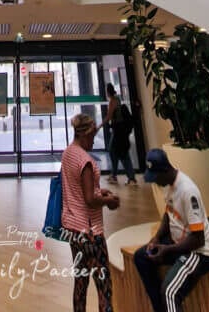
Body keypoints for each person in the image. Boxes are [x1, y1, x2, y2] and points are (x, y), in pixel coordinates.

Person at [133, 149, 209, 312]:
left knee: (170, 293)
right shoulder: (169, 184)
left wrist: (167, 249)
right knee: (141, 257)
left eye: (156, 177)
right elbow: (168, 213)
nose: (155, 182)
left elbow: (198, 239)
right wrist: (157, 239)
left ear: (165, 170)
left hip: (199, 253)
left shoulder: (187, 191)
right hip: (179, 245)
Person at [61, 112, 120, 312]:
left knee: (80, 282)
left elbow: (76, 188)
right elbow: (89, 199)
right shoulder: (85, 161)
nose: (94, 141)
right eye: (93, 137)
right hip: (90, 231)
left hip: (72, 228)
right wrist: (108, 201)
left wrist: (98, 190)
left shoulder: (68, 153)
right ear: (85, 134)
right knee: (104, 286)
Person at [100, 83, 138, 186]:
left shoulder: (113, 101)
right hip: (120, 130)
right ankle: (115, 175)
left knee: (121, 153)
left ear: (108, 92)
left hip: (118, 131)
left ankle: (131, 178)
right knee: (114, 151)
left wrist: (99, 126)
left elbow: (109, 116)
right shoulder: (117, 98)